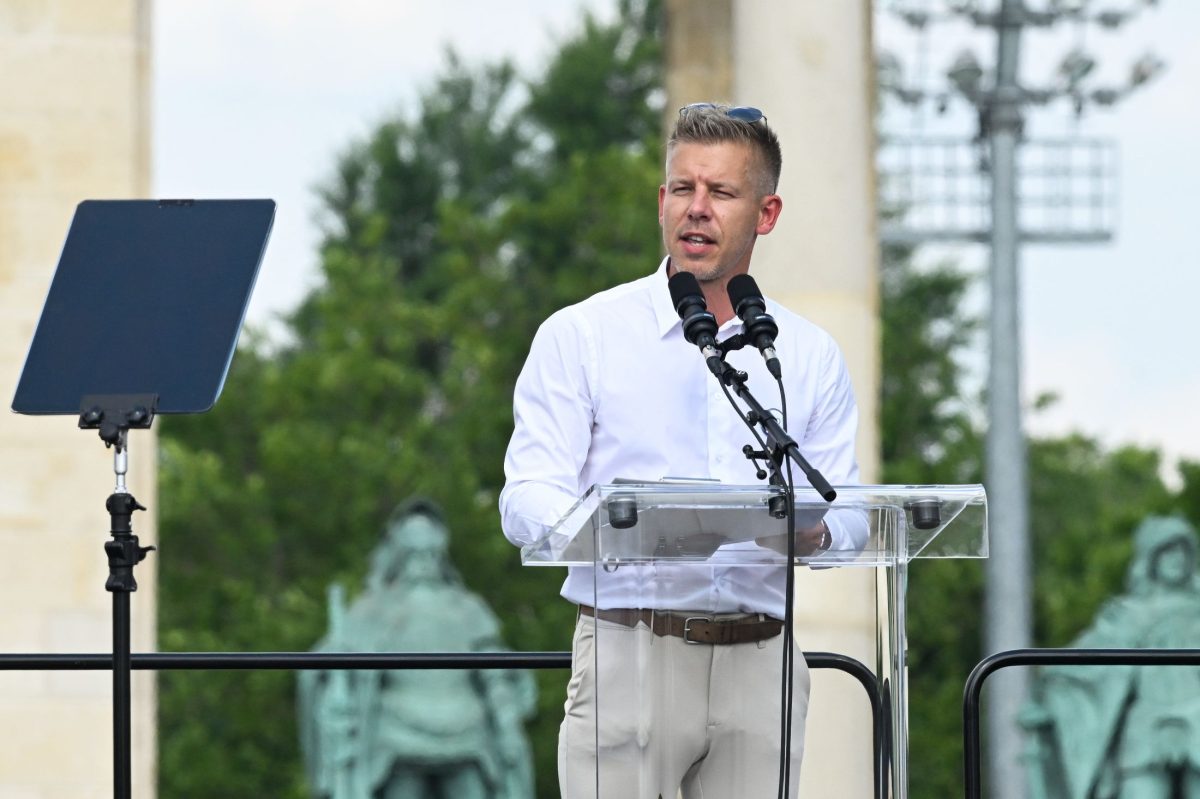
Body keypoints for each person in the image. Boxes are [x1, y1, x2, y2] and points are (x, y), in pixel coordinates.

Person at [499, 103, 863, 798]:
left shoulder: (807, 354)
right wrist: (615, 526)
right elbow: (526, 496)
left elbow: (850, 513)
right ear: (661, 201)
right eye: (682, 189)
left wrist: (814, 532)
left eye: (721, 192)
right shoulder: (583, 334)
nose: (696, 208)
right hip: (630, 647)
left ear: (766, 213)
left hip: (762, 659)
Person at [298, 501, 537, 799]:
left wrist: (506, 722)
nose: (422, 563)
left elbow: (495, 672)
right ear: (399, 553)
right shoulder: (372, 609)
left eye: (429, 554)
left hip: (467, 733)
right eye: (414, 554)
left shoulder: (467, 608)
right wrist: (330, 663)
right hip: (397, 736)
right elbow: (333, 659)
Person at [1022, 516, 1200, 799]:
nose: (1177, 559)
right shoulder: (1125, 616)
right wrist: (1048, 692)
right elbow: (1084, 664)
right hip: (1145, 723)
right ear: (1152, 558)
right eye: (1168, 550)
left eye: (1183, 550)